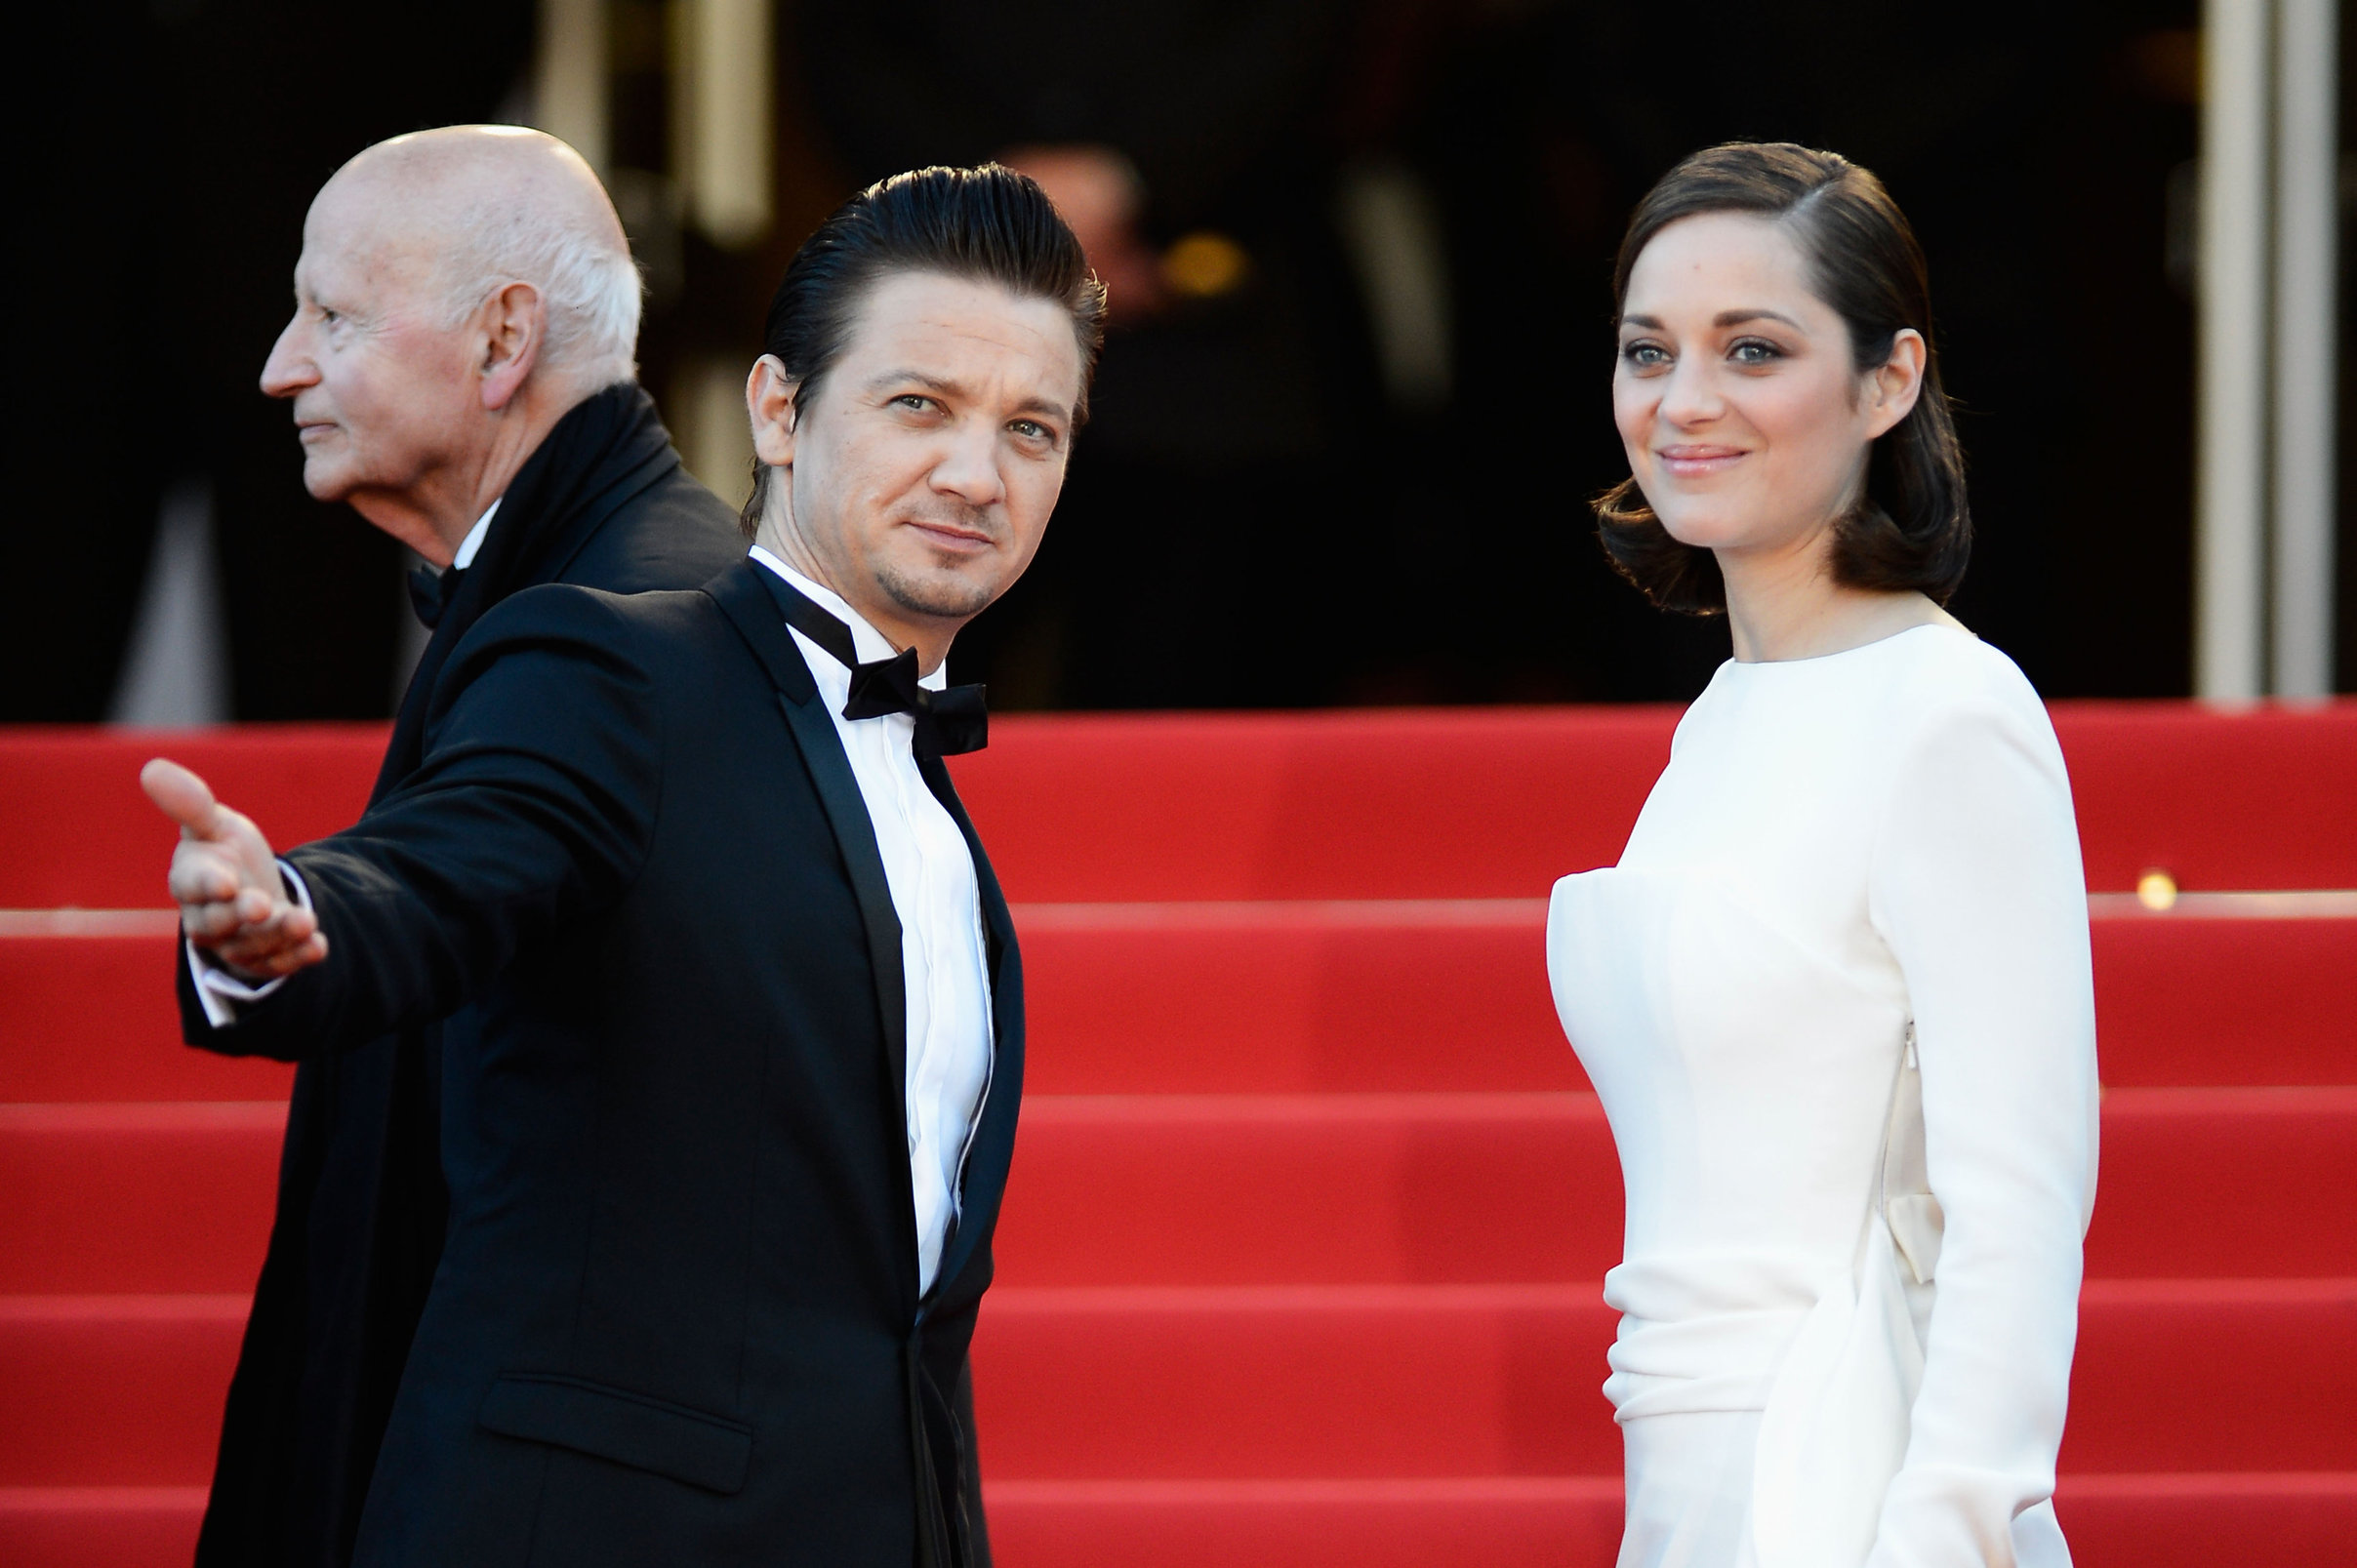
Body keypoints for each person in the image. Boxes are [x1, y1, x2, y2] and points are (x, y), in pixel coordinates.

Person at [146, 164, 1102, 1567]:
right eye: (920, 407)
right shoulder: (621, 662)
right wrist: (295, 914)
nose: (976, 473)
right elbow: (454, 863)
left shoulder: (933, 810)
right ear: (777, 410)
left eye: (1033, 429)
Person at [184, 125, 747, 1568]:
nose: (280, 367)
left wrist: (304, 910)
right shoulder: (591, 573)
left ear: (504, 340)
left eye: (335, 316)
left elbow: (480, 844)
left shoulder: (613, 621)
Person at [1546, 142, 2096, 1568]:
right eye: (1647, 351)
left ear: (1890, 379)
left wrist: (1953, 1523)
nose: (1687, 402)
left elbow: (2018, 1197)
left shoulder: (1947, 716)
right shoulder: (1723, 722)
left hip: (1846, 1470)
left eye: (1754, 349)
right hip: (1687, 1471)